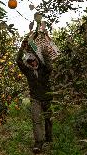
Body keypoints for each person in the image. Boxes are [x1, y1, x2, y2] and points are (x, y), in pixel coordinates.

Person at [16, 21, 59, 153]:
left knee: (48, 120)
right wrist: (22, 47)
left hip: (47, 98)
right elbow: (18, 61)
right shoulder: (28, 72)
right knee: (36, 120)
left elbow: (50, 65)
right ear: (28, 63)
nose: (33, 62)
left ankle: (49, 138)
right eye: (30, 61)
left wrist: (45, 52)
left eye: (34, 60)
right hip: (35, 99)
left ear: (37, 60)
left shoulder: (45, 69)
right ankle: (38, 142)